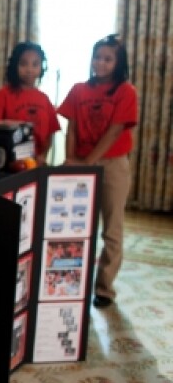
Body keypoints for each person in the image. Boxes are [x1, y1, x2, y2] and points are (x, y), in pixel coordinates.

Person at [57, 34, 138, 309]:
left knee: (111, 228)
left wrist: (89, 162)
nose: (100, 63)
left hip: (112, 164)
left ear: (118, 63)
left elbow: (115, 132)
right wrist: (71, 159)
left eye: (107, 59)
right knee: (76, 226)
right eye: (97, 57)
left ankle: (104, 289)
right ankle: (70, 283)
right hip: (80, 161)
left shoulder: (126, 91)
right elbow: (72, 128)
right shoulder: (79, 89)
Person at [0, 41, 61, 164]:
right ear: (15, 65)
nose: (29, 69)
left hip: (36, 164)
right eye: (24, 64)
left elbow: (50, 132)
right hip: (9, 164)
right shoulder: (2, 95)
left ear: (41, 67)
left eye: (35, 64)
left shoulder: (44, 99)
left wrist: (43, 156)